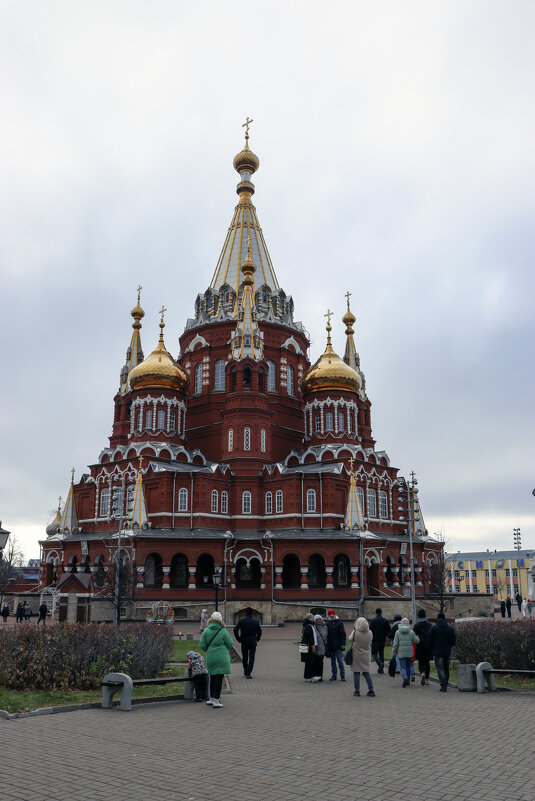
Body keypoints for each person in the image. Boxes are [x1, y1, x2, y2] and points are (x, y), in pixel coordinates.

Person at [199, 611, 233, 709]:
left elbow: (202, 645)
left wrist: (209, 650)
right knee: (219, 678)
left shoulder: (206, 630)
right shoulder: (223, 631)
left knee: (212, 677)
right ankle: (216, 700)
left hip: (211, 657)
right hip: (222, 657)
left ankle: (211, 699)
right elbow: (230, 644)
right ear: (221, 620)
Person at [428, 611, 456, 692]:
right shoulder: (450, 628)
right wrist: (449, 646)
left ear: (438, 618)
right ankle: (446, 682)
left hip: (437, 652)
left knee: (440, 668)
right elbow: (453, 640)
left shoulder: (433, 628)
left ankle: (443, 683)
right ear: (444, 618)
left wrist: (432, 648)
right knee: (446, 668)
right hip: (447, 651)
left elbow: (430, 640)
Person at [348, 617, 375, 697]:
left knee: (356, 672)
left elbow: (350, 639)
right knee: (366, 672)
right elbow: (371, 640)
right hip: (366, 655)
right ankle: (371, 690)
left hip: (356, 655)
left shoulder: (355, 632)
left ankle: (357, 691)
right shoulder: (370, 632)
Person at [233, 607, 262, 679]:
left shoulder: (242, 620)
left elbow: (235, 630)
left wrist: (239, 638)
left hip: (244, 641)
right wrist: (257, 639)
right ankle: (248, 673)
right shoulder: (255, 621)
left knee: (245, 658)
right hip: (252, 641)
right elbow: (259, 631)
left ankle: (245, 671)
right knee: (252, 657)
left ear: (246, 613)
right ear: (252, 613)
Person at [392, 618, 419, 688]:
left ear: (401, 623)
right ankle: (408, 681)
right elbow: (417, 641)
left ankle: (405, 678)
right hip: (410, 653)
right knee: (408, 666)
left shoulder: (397, 632)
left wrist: (393, 653)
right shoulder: (411, 632)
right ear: (408, 624)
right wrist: (417, 636)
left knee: (403, 667)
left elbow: (395, 644)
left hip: (401, 653)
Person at [326, 608, 346, 681]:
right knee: (333, 662)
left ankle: (342, 675)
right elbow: (327, 636)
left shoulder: (340, 623)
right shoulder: (327, 624)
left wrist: (343, 644)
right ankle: (334, 675)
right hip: (331, 647)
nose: (331, 615)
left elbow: (343, 634)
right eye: (330, 614)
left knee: (340, 661)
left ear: (334, 614)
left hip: (338, 646)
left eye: (332, 614)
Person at [413, 609, 432, 685]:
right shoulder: (430, 625)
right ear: (425, 616)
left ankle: (422, 672)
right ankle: (427, 679)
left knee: (420, 662)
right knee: (427, 663)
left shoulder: (417, 626)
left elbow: (413, 635)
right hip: (428, 646)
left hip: (420, 646)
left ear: (418, 616)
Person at [369, 608, 391, 674]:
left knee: (374, 653)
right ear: (381, 613)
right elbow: (388, 630)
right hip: (382, 639)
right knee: (381, 654)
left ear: (376, 613)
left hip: (375, 640)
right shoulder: (385, 621)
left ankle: (379, 663)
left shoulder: (373, 621)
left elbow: (370, 630)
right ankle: (381, 670)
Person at [300, 613, 318, 682]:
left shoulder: (311, 625)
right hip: (310, 646)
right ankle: (311, 676)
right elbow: (309, 637)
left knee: (308, 662)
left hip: (311, 645)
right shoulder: (308, 626)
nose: (312, 619)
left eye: (312, 618)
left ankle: (307, 676)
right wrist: (313, 645)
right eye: (311, 618)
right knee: (310, 661)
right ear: (308, 619)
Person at [312, 614, 329, 682]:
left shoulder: (325, 626)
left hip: (322, 648)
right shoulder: (313, 627)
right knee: (315, 663)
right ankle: (315, 675)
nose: (319, 621)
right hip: (315, 648)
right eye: (317, 620)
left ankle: (320, 676)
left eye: (320, 619)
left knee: (320, 662)